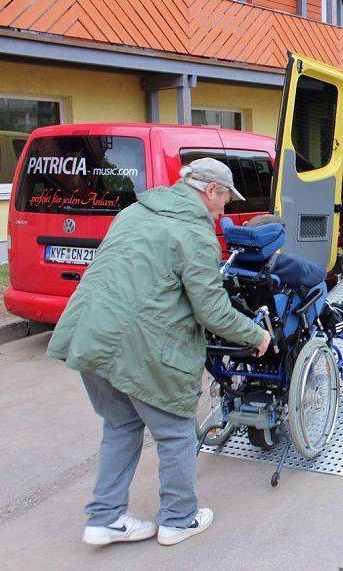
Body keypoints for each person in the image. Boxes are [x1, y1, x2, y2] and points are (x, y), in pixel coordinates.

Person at [47, 157, 272, 546]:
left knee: (120, 424)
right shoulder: (193, 232)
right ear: (210, 190)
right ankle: (178, 519)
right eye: (224, 201)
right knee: (175, 431)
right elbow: (212, 309)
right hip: (139, 344)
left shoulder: (134, 212)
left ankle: (106, 518)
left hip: (89, 332)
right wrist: (256, 336)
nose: (224, 210)